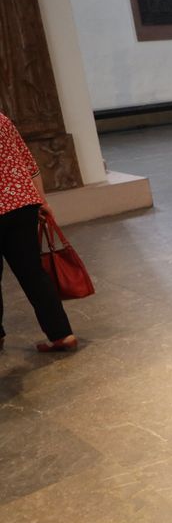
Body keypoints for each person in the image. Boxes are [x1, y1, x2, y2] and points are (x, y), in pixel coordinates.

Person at [0, 111, 76, 353]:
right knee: (33, 273)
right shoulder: (1, 120)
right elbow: (30, 165)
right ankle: (62, 334)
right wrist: (43, 202)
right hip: (22, 206)